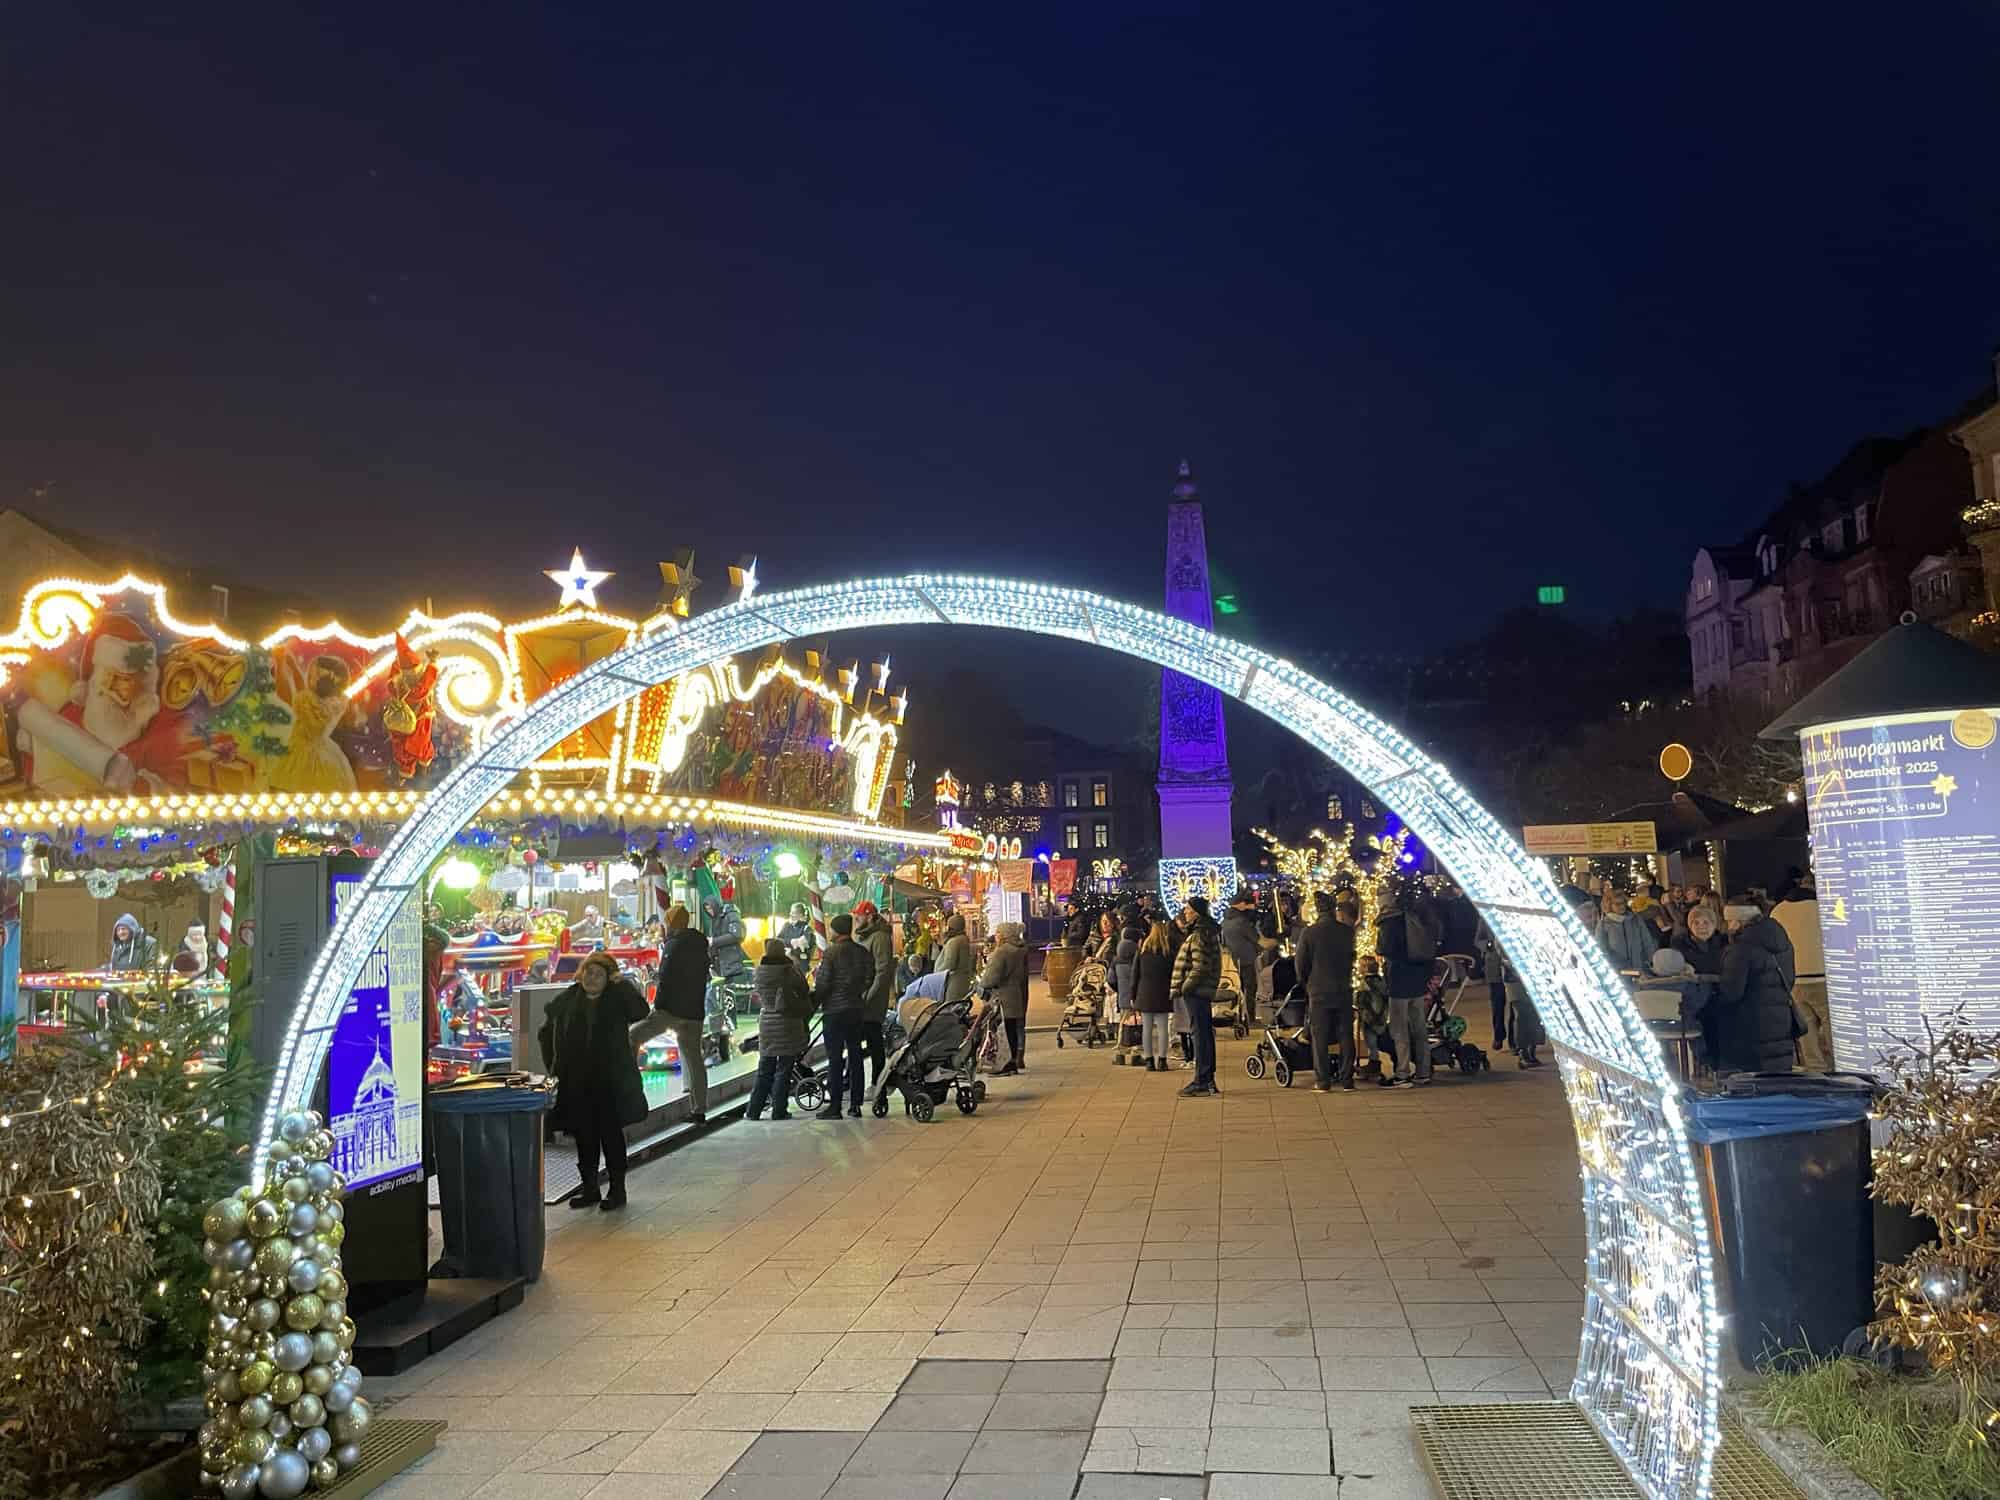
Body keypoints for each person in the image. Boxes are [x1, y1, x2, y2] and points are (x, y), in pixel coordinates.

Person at [537, 952, 649, 1210]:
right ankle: (590, 1188)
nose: (592, 978)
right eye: (588, 972)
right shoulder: (570, 997)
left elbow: (640, 1010)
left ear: (609, 978)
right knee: (583, 1135)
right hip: (577, 1081)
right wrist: (554, 1067)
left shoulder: (617, 998)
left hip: (611, 1081)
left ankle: (617, 1189)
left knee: (610, 1134)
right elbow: (548, 1028)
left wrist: (622, 984)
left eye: (599, 974)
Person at [1713, 892, 1798, 1075]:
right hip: (1781, 1024)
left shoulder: (1741, 949)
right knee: (1778, 1084)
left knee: (1753, 1089)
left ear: (1737, 921)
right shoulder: (1781, 940)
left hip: (1750, 1031)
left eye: (1729, 921)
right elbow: (1789, 979)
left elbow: (1731, 993)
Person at [641, 905, 709, 1123]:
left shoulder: (674, 944)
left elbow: (667, 977)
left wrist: (657, 1005)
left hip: (671, 1011)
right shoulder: (700, 944)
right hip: (694, 1012)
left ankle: (628, 1091)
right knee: (694, 1058)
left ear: (670, 922)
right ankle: (698, 1110)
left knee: (633, 1037)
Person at [810, 912, 873, 1118]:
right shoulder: (862, 952)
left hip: (835, 1011)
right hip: (855, 1009)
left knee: (835, 1058)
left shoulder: (831, 953)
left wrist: (814, 1004)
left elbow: (824, 983)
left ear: (836, 931)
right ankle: (855, 1105)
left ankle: (835, 1105)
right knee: (855, 1056)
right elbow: (869, 977)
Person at [1375, 879, 1436, 1087]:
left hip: (1398, 980)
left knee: (1399, 1029)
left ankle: (1402, 1073)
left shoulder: (1388, 921)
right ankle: (1423, 1071)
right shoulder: (1411, 915)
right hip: (1417, 979)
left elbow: (1385, 949)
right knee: (1419, 1027)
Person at [1295, 891, 1358, 1091]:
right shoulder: (1347, 931)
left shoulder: (1309, 933)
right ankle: (1347, 1078)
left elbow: (1301, 964)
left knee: (1319, 1036)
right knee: (1345, 1035)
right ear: (1333, 909)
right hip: (1343, 988)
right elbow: (1351, 958)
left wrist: (1306, 982)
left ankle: (1323, 1080)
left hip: (1319, 989)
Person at [745, 941, 811, 1120]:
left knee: (764, 1068)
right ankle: (779, 1109)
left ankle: (753, 1110)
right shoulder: (789, 971)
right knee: (784, 1069)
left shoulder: (759, 972)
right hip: (788, 1022)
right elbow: (804, 990)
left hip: (767, 1022)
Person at [1772, 873, 1831, 1071]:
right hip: (1823, 977)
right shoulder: (1822, 907)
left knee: (1806, 1029)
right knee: (1832, 1026)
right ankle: (1839, 1065)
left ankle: (1816, 1068)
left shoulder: (1778, 910)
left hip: (1794, 978)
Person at [1170, 895, 1223, 1097]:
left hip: (1197, 991)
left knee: (1199, 1034)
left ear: (1197, 912)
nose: (1185, 912)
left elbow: (1200, 965)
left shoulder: (1200, 934)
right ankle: (1208, 1078)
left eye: (1188, 909)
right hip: (1202, 989)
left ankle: (1202, 1080)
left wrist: (1186, 986)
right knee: (1204, 1033)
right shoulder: (1207, 931)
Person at [852, 899, 896, 1087]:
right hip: (862, 996)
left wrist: (870, 995)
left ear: (869, 916)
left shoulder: (879, 937)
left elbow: (883, 970)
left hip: (872, 999)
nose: (856, 918)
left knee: (873, 1039)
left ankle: (879, 1081)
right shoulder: (864, 936)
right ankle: (865, 1081)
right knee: (862, 1039)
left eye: (859, 915)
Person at [979, 921, 1031, 1075]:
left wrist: (982, 984)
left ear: (1004, 935)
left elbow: (990, 979)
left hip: (1002, 998)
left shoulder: (1001, 953)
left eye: (998, 932)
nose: (996, 936)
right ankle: (1014, 1060)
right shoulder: (1020, 950)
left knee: (1003, 1033)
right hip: (1016, 994)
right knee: (1013, 1030)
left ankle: (1004, 1064)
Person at [1132, 919, 1175, 1071]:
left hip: (1145, 993)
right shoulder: (1168, 952)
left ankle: (1149, 1060)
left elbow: (1135, 974)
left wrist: (1133, 995)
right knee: (1163, 1029)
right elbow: (1172, 974)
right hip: (1163, 993)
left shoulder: (1143, 952)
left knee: (1147, 1029)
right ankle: (1162, 1060)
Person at [1597, 888, 1658, 974]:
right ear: (1609, 905)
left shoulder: (1635, 919)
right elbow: (1602, 949)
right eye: (1617, 904)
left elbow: (1647, 941)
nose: (1622, 906)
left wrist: (1652, 962)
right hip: (1618, 972)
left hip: (1640, 969)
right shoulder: (1604, 924)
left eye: (1623, 903)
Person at [1354, 954, 1392, 1083]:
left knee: (1371, 1044)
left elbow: (1361, 1001)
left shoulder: (1365, 984)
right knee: (1375, 1042)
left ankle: (1373, 1063)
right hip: (1381, 1017)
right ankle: (1374, 1063)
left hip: (1369, 1019)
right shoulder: (1381, 982)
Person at [1221, 891, 1261, 1008]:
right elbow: (1256, 938)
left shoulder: (1225, 921)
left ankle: (1236, 1011)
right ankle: (1250, 1014)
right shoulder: (1242, 922)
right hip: (1247, 958)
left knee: (1239, 987)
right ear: (1242, 904)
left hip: (1234, 958)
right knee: (1250, 987)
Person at [935, 911, 976, 1005]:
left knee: (951, 1006)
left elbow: (950, 963)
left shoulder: (954, 942)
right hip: (962, 979)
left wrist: (938, 973)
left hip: (953, 981)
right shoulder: (964, 939)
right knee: (959, 1006)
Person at [777, 901, 818, 967]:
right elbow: (778, 940)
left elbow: (804, 948)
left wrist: (791, 953)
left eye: (793, 913)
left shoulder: (806, 929)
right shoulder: (786, 925)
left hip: (800, 964)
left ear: (800, 915)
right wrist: (791, 941)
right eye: (790, 912)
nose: (790, 914)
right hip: (785, 962)